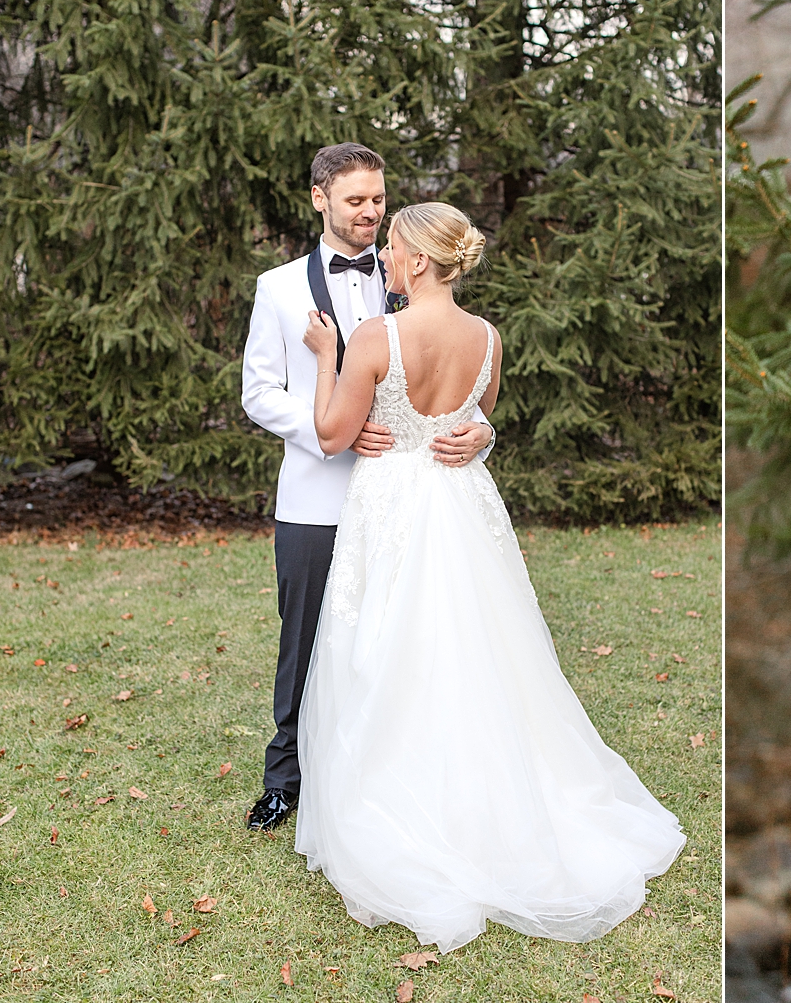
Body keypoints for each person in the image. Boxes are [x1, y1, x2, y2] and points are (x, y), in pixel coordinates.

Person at [292, 201, 685, 951]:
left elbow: (333, 434)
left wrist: (324, 357)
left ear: (412, 260)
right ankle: (487, 799)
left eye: (392, 250)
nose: (384, 259)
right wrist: (481, 433)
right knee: (475, 650)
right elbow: (477, 419)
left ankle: (405, 807)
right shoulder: (488, 337)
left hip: (393, 505)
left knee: (385, 648)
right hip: (461, 507)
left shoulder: (375, 336)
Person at [241, 144, 494, 833]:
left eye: (378, 200)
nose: (370, 212)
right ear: (320, 198)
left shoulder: (405, 269)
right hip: (316, 499)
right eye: (356, 201)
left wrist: (483, 435)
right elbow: (258, 393)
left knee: (397, 644)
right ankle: (285, 781)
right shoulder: (278, 288)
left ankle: (380, 777)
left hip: (409, 502)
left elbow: (455, 393)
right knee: (305, 645)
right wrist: (335, 430)